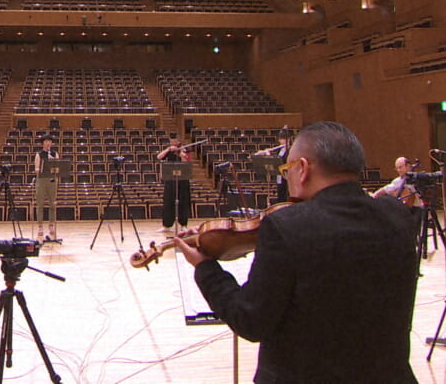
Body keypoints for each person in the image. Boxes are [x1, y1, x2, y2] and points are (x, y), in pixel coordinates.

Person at [174, 122, 418, 382]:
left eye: (287, 169)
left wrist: (206, 268)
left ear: (302, 168)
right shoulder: (397, 216)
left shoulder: (286, 226)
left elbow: (250, 320)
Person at [157, 134, 192, 233]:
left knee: (183, 202)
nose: (173, 143)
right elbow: (159, 157)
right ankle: (166, 225)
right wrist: (168, 149)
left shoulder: (185, 149)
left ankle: (183, 225)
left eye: (175, 142)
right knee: (168, 202)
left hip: (183, 180)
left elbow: (187, 161)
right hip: (170, 179)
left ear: (178, 141)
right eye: (171, 142)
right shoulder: (169, 150)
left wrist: (181, 154)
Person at [254, 126, 292, 203]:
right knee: (280, 194)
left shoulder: (290, 150)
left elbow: (283, 162)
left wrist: (268, 154)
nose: (282, 141)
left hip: (286, 176)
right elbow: (275, 161)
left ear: (288, 139)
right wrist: (265, 153)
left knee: (285, 195)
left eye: (284, 139)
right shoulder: (279, 150)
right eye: (281, 139)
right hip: (279, 176)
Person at [33, 134, 59, 241]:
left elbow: (57, 169)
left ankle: (51, 225)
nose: (48, 143)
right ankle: (40, 226)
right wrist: (44, 166)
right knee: (40, 204)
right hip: (41, 180)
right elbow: (36, 169)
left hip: (52, 180)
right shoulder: (39, 154)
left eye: (50, 141)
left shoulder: (54, 153)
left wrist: (53, 163)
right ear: (43, 143)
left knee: (52, 203)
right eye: (46, 141)